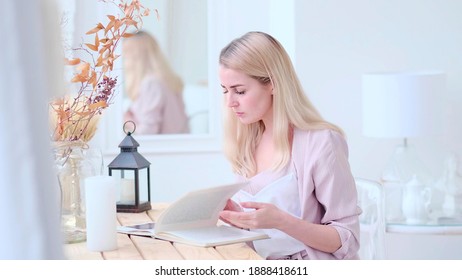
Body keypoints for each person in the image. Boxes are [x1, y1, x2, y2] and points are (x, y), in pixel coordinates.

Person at [218, 31, 361, 260]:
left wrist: (281, 221)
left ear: (272, 83)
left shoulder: (321, 142)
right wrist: (241, 220)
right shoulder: (247, 142)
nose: (230, 102)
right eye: (225, 90)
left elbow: (347, 239)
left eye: (240, 91)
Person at [122, 31, 189, 134]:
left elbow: (148, 132)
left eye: (126, 55)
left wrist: (128, 122)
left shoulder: (151, 84)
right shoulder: (167, 80)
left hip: (163, 148)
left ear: (135, 58)